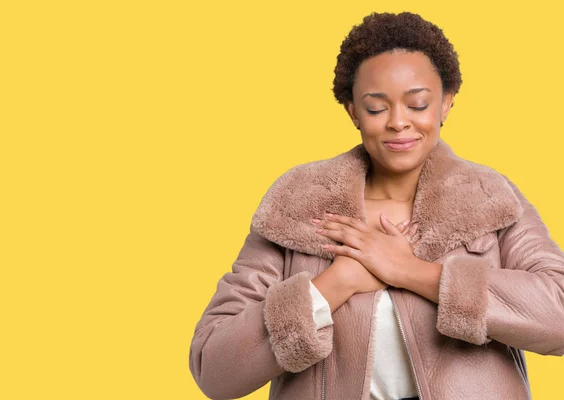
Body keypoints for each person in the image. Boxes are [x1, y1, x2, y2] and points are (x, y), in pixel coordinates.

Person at [189, 11, 564, 400]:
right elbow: (214, 369)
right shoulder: (299, 205)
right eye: (376, 107)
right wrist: (338, 282)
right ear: (353, 111)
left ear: (446, 104)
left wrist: (410, 271)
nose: (398, 122)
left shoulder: (490, 199)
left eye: (418, 104)